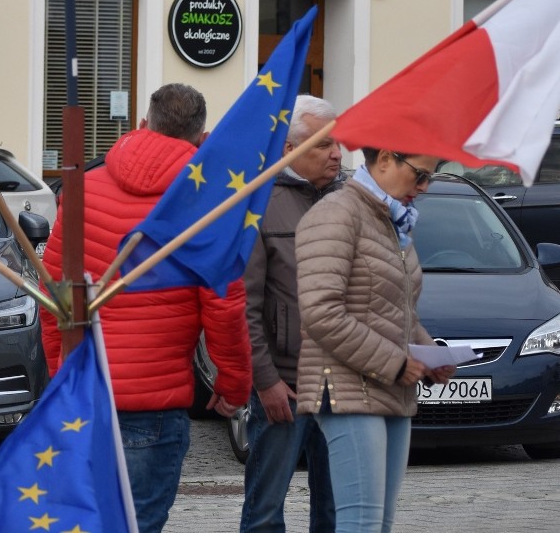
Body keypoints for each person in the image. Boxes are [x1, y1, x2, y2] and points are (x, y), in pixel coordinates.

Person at [40, 83, 252, 533]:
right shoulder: (210, 202)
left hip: (85, 392)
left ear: (142, 124)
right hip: (153, 404)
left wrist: (61, 369)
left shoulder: (83, 187)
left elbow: (55, 292)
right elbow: (223, 308)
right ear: (201, 139)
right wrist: (234, 385)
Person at [295, 148, 456, 533]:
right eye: (419, 174)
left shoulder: (392, 221)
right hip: (349, 387)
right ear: (384, 158)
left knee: (379, 522)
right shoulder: (337, 213)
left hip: (389, 388)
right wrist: (396, 363)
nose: (424, 186)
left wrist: (430, 353)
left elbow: (398, 312)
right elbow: (321, 312)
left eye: (429, 177)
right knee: (360, 523)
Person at [240, 95, 340, 533]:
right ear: (288, 150)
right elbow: (245, 307)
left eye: (338, 143)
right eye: (322, 144)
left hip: (343, 382)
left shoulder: (350, 202)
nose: (336, 153)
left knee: (339, 510)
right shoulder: (257, 204)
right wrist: (266, 382)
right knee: (265, 509)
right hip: (287, 384)